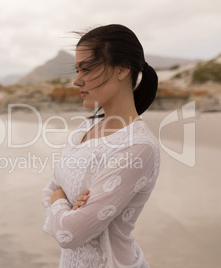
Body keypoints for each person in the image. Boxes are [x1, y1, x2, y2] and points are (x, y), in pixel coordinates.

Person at [42, 24, 161, 268]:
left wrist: (59, 200)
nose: (76, 81)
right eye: (77, 70)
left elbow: (70, 234)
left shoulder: (137, 146)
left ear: (121, 69)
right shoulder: (82, 131)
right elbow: (49, 190)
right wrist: (63, 203)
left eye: (86, 69)